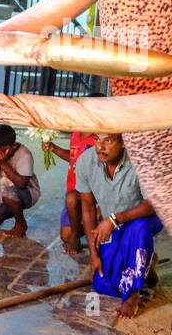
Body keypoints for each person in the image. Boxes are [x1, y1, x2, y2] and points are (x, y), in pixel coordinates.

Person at [75, 132, 163, 318]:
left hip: (146, 218)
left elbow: (153, 204)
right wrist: (93, 253)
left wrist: (115, 219)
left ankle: (133, 295)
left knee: (138, 229)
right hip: (112, 223)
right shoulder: (86, 161)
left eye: (108, 140)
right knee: (105, 285)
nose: (100, 146)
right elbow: (88, 208)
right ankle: (148, 262)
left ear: (124, 142)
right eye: (97, 139)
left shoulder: (140, 162)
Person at [43, 128, 99, 255]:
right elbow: (73, 157)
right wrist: (53, 148)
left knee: (71, 199)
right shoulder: (76, 134)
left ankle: (77, 234)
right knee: (65, 236)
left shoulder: (98, 136)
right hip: (74, 186)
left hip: (93, 191)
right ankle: (87, 225)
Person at [0, 124, 41, 237]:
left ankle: (20, 224)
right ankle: (12, 208)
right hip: (7, 193)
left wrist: (3, 163)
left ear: (12, 146)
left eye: (3, 149)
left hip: (29, 193)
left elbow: (22, 184)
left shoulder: (24, 154)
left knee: (7, 188)